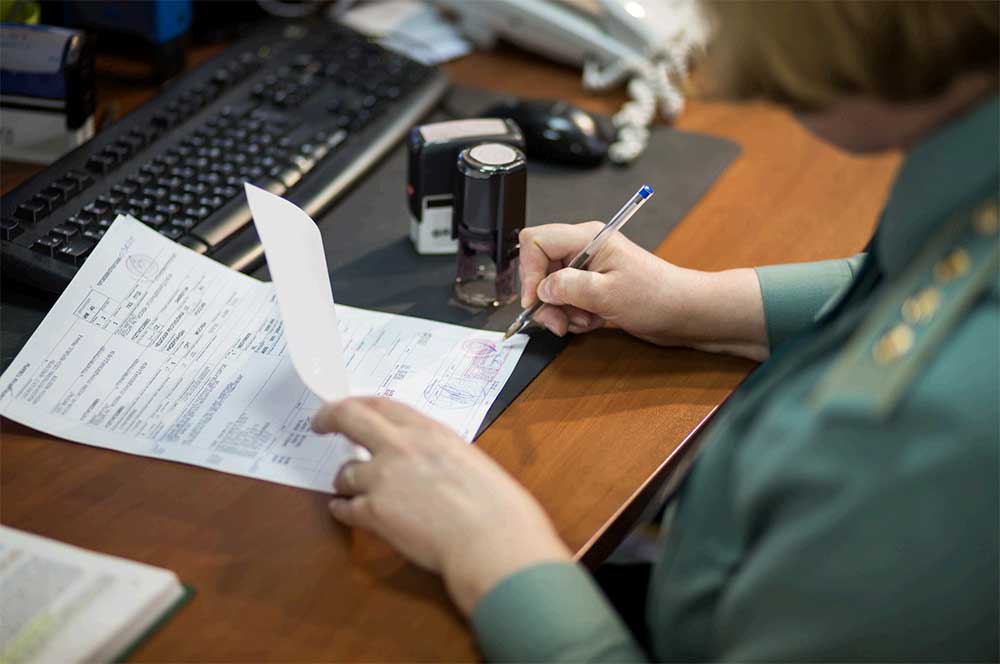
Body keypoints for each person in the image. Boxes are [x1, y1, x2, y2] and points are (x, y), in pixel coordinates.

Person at [312, 2, 999, 660]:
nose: (719, 50)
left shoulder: (944, 437)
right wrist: (700, 306)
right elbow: (926, 274)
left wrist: (488, 546)